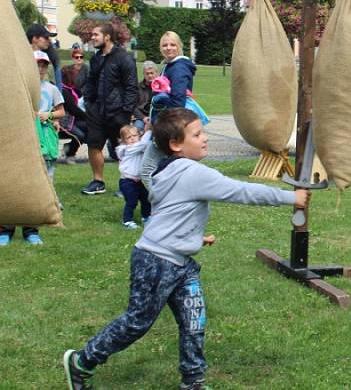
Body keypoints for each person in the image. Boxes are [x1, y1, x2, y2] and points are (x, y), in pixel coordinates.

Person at [63, 108, 310, 390]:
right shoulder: (193, 173)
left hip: (181, 262)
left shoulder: (167, 169)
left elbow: (170, 211)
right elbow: (241, 191)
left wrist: (192, 237)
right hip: (156, 262)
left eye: (203, 132)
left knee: (194, 323)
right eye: (197, 134)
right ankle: (82, 361)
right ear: (176, 145)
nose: (205, 138)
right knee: (137, 322)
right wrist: (291, 196)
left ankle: (193, 382)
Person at [0, 51, 65, 246]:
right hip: (17, 140)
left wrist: (50, 116)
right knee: (11, 182)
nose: (41, 69)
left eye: (44, 65)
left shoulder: (51, 89)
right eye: (37, 65)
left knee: (35, 183)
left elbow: (61, 110)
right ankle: (5, 228)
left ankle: (31, 230)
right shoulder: (16, 86)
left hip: (41, 141)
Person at [81, 23, 138, 195]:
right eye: (92, 35)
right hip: (97, 111)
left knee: (124, 149)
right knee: (94, 144)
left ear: (107, 36)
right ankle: (98, 182)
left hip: (118, 112)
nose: (92, 38)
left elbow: (131, 87)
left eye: (96, 35)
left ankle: (129, 184)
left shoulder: (124, 58)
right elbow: (90, 80)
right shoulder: (96, 58)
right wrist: (89, 101)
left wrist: (126, 112)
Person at [141, 32, 198, 189]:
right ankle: (174, 208)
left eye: (172, 44)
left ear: (179, 46)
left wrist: (162, 126)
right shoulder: (169, 65)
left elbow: (177, 102)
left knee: (147, 172)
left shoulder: (179, 67)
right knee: (169, 173)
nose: (168, 48)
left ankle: (168, 209)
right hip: (167, 126)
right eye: (165, 45)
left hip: (170, 128)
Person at [116, 125, 153, 229]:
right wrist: (149, 130)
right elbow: (144, 143)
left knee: (146, 199)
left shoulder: (138, 147)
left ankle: (146, 217)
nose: (132, 138)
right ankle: (127, 220)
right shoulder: (128, 149)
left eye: (134, 135)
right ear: (123, 141)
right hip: (127, 182)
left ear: (138, 136)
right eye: (128, 137)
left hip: (139, 181)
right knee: (131, 202)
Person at [59, 65, 88, 165]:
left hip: (72, 121)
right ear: (70, 77)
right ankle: (70, 154)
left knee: (89, 128)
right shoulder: (63, 91)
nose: (77, 78)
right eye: (75, 76)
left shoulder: (71, 89)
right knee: (80, 135)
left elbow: (82, 95)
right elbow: (74, 110)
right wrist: (89, 117)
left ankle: (68, 147)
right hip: (64, 123)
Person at [133, 61, 158, 131]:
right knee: (136, 129)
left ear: (156, 73)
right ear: (143, 74)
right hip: (141, 117)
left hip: (157, 116)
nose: (150, 76)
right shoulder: (137, 87)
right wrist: (143, 118)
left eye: (152, 73)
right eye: (147, 73)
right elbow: (133, 106)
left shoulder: (161, 86)